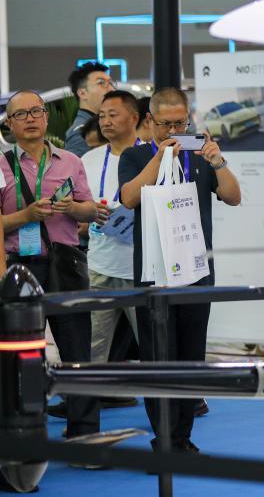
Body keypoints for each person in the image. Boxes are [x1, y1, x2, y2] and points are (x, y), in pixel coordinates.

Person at [119, 88, 242, 453]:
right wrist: (159, 157)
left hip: (197, 271)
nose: (174, 130)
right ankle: (165, 439)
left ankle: (183, 437)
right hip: (154, 274)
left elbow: (234, 197)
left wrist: (218, 161)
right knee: (158, 358)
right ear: (150, 121)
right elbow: (128, 197)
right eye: (166, 124)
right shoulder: (135, 155)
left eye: (181, 123)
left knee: (191, 358)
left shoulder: (199, 154)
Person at [0, 90, 101, 443]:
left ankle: (84, 435)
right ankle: (27, 438)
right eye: (21, 114)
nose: (30, 118)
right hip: (18, 269)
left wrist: (73, 208)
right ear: (9, 124)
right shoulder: (1, 165)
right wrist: (26, 216)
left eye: (36, 111)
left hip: (66, 262)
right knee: (23, 355)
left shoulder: (70, 161)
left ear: (46, 117)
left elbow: (91, 210)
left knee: (77, 350)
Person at [81, 91, 141, 366]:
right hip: (99, 266)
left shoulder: (150, 156)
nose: (105, 122)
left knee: (152, 343)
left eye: (113, 115)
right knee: (93, 345)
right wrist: (86, 213)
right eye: (102, 116)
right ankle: (89, 393)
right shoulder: (88, 160)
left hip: (140, 270)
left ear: (134, 118)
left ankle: (162, 393)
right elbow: (78, 207)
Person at [65, 62, 114, 157]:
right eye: (101, 83)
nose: (111, 89)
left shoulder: (101, 125)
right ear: (82, 93)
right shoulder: (80, 133)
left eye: (111, 83)